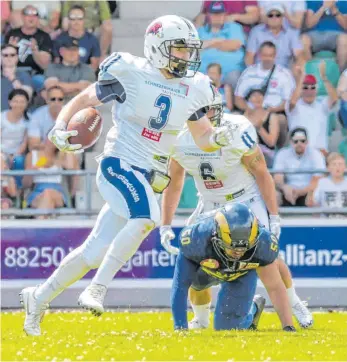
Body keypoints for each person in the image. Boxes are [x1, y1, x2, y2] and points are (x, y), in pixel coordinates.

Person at [20, 15, 237, 336]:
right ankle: (97, 289)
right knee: (146, 217)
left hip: (148, 178)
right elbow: (84, 99)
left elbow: (203, 135)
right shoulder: (132, 71)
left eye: (188, 49)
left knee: (93, 252)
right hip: (117, 164)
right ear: (158, 48)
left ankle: (37, 298)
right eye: (178, 48)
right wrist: (61, 124)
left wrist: (219, 137)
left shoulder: (195, 87)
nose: (186, 56)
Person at [160, 94, 313, 329]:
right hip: (210, 201)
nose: (211, 115)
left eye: (212, 109)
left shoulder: (236, 129)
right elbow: (175, 182)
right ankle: (200, 320)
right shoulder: (178, 139)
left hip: (245, 198)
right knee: (194, 256)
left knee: (268, 256)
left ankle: (294, 303)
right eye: (204, 110)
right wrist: (166, 224)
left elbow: (262, 172)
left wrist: (273, 216)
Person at [172, 203, 296, 332]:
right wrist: (180, 328)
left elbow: (274, 287)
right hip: (206, 268)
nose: (238, 253)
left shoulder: (263, 243)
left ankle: (253, 309)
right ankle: (201, 319)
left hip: (241, 273)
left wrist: (288, 326)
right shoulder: (197, 237)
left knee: (227, 328)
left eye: (244, 248)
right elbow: (180, 285)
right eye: (232, 247)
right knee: (193, 280)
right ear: (217, 235)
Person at [286, 63, 338, 157]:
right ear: (301, 89)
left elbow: (334, 98)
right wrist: (301, 78)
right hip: (298, 152)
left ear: (316, 90)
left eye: (312, 87)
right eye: (305, 87)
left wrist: (324, 77)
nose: (309, 91)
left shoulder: (322, 105)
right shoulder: (295, 105)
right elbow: (292, 102)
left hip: (320, 152)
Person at [23, 141, 79, 218]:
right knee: (47, 199)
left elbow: (71, 167)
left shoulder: (62, 155)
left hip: (58, 193)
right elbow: (25, 184)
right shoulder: (32, 155)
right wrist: (34, 169)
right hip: (37, 191)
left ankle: (38, 224)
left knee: (48, 193)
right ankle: (42, 222)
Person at [197, 1, 246, 88]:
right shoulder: (201, 30)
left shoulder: (234, 27)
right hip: (204, 72)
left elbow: (234, 45)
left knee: (235, 78)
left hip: (229, 72)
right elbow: (194, 47)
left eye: (220, 14)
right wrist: (216, 41)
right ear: (209, 15)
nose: (217, 17)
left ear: (225, 14)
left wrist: (207, 44)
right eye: (214, 14)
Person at [273, 127, 326, 207]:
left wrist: (300, 192)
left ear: (307, 142)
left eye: (302, 141)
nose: (299, 144)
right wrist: (284, 187)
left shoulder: (316, 154)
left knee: (316, 193)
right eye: (295, 141)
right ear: (291, 142)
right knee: (274, 194)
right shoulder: (282, 153)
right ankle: (275, 219)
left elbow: (317, 179)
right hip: (288, 191)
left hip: (309, 190)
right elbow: (278, 178)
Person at [4, 5, 53, 92]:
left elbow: (45, 65)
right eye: (28, 14)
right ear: (22, 17)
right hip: (14, 72)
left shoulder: (44, 36)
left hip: (35, 74)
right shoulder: (12, 34)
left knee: (43, 82)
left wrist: (35, 50)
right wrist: (12, 49)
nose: (31, 18)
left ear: (38, 18)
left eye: (34, 15)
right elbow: (4, 61)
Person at [245, 4, 305, 72]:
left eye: (278, 15)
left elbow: (299, 55)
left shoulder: (291, 33)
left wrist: (297, 67)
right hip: (260, 71)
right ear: (266, 17)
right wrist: (252, 73)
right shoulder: (256, 31)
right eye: (270, 15)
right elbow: (249, 56)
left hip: (283, 73)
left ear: (283, 17)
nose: (274, 18)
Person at [302, 0, 347, 72]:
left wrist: (334, 10)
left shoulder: (344, 1)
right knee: (303, 39)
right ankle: (311, 72)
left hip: (336, 35)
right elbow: (309, 24)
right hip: (314, 35)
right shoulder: (312, 1)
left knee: (344, 39)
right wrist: (323, 7)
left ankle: (340, 74)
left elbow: (345, 25)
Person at [53, 5, 101, 71]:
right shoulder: (59, 39)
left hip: (85, 77)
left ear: (84, 20)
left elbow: (94, 66)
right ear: (68, 20)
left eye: (80, 18)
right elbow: (56, 64)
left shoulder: (92, 40)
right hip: (64, 76)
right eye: (73, 18)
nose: (76, 21)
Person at [0, 89, 30, 188]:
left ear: (27, 103)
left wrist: (14, 155)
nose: (19, 105)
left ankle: (18, 189)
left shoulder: (29, 119)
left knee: (18, 161)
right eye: (15, 101)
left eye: (22, 102)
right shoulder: (2, 117)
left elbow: (25, 143)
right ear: (9, 102)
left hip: (17, 153)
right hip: (2, 152)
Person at [244, 89, 279, 167]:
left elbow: (272, 142)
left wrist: (259, 128)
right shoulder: (243, 117)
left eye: (260, 95)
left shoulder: (272, 116)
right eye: (254, 96)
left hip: (266, 155)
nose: (257, 98)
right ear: (248, 99)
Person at [28, 86, 66, 150]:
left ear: (63, 101)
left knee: (69, 154)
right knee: (35, 157)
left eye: (60, 99)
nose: (57, 102)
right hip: (45, 152)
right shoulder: (37, 116)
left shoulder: (71, 114)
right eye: (53, 99)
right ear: (47, 100)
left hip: (64, 152)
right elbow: (33, 145)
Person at [194, 1, 260, 34]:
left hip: (237, 34)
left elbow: (254, 17)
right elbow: (202, 15)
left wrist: (235, 17)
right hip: (211, 32)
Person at [1, 44, 33, 111]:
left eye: (12, 55)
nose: (9, 58)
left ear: (17, 58)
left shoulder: (24, 75)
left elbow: (27, 97)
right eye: (5, 55)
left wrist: (13, 78)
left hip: (18, 116)